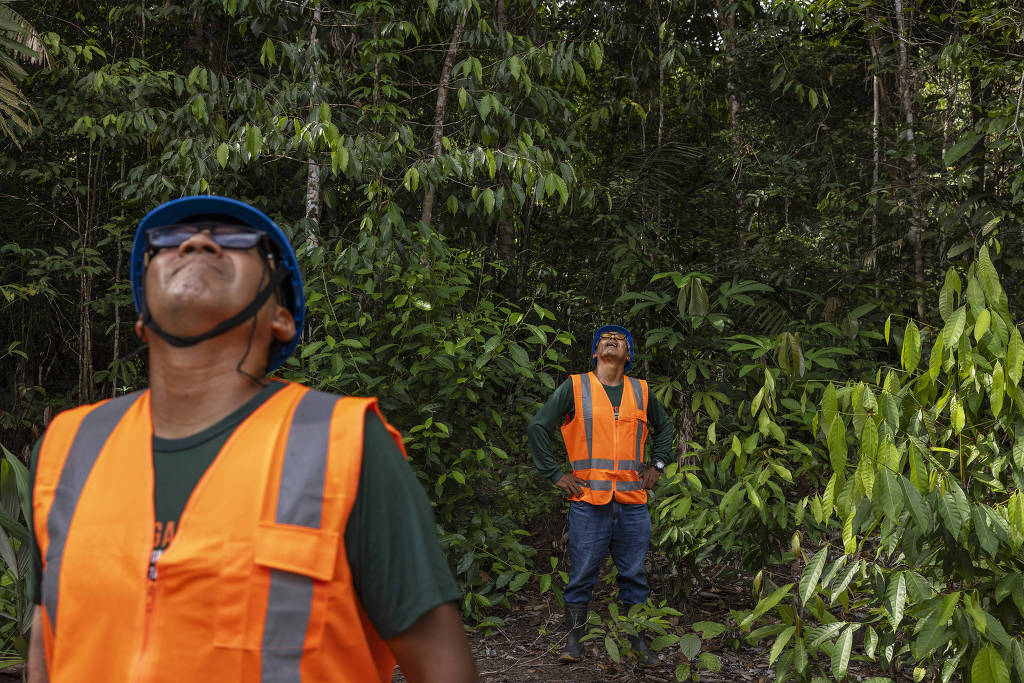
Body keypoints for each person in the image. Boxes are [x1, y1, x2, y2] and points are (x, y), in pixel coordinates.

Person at [27, 196, 478, 682]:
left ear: (280, 320)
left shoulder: (345, 444)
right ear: (143, 319)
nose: (197, 242)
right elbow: (45, 641)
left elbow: (440, 664)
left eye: (238, 240)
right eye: (170, 241)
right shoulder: (68, 445)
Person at [527, 325, 674, 665]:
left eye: (620, 338)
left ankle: (638, 645)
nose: (611, 339)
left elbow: (664, 427)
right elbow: (538, 426)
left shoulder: (641, 391)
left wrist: (659, 464)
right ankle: (573, 644)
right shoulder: (576, 387)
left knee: (634, 575)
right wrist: (555, 474)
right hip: (588, 502)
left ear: (628, 354)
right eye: (604, 338)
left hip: (632, 503)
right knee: (581, 575)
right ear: (595, 352)